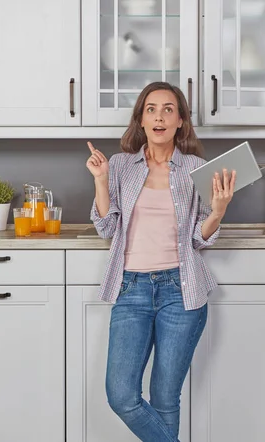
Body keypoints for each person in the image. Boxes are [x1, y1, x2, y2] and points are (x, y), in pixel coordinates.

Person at [86, 81, 236, 442]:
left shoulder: (198, 169)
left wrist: (217, 211)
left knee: (166, 398)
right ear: (141, 119)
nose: (159, 116)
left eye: (169, 109)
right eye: (151, 109)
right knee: (122, 395)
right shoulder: (121, 165)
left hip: (180, 291)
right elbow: (106, 227)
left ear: (181, 121)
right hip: (131, 289)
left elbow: (201, 237)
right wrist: (102, 182)